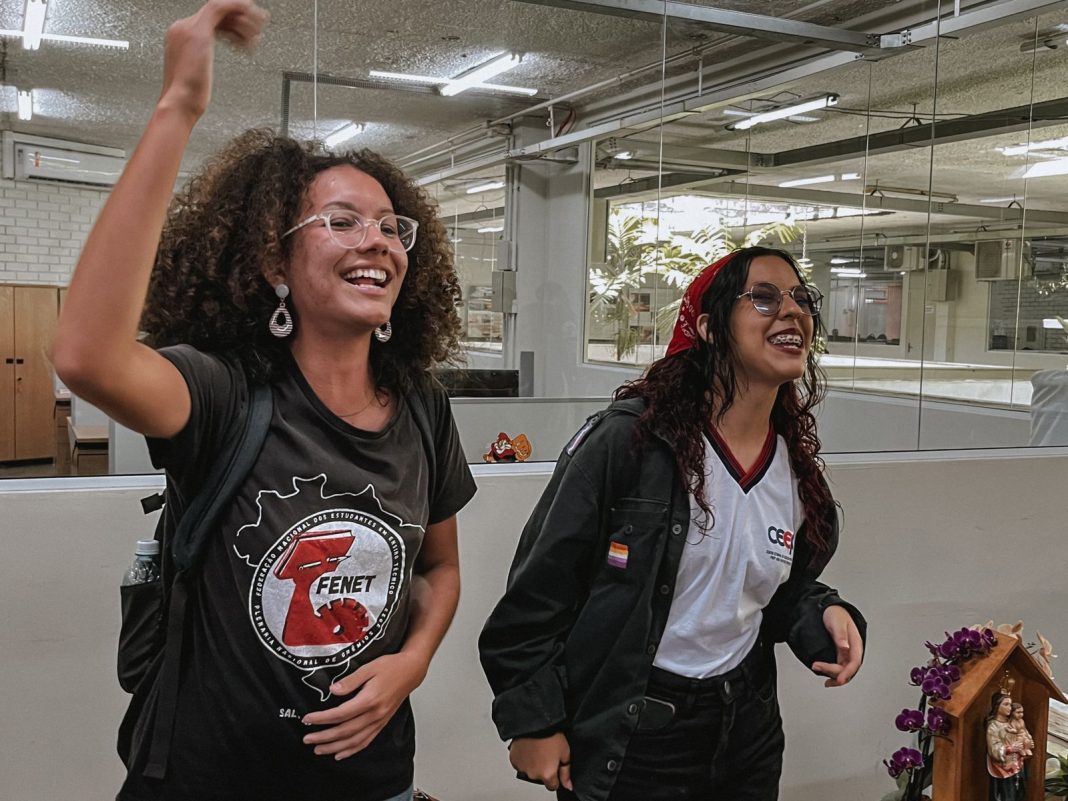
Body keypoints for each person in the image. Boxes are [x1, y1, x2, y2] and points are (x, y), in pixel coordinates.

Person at [52, 2, 475, 799]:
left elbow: (442, 567)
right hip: (210, 777)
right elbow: (86, 355)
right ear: (275, 264)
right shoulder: (221, 390)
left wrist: (411, 664)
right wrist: (178, 107)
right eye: (341, 221)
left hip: (371, 777)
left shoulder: (421, 405)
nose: (378, 240)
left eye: (391, 226)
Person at [479, 246, 866, 801]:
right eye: (763, 297)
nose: (793, 312)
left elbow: (769, 588)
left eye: (802, 299)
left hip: (746, 733)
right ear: (708, 328)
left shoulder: (794, 471)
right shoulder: (630, 443)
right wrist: (532, 720)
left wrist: (820, 611)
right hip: (638, 737)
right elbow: (535, 598)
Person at [986, 692, 1026, 801]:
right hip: (1002, 768)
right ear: (997, 706)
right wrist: (1010, 749)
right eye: (1006, 704)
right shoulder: (993, 726)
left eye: (1010, 704)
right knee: (1006, 795)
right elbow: (993, 749)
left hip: (1016, 764)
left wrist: (1025, 743)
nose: (1010, 707)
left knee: (1018, 793)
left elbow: (1022, 734)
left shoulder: (1012, 722)